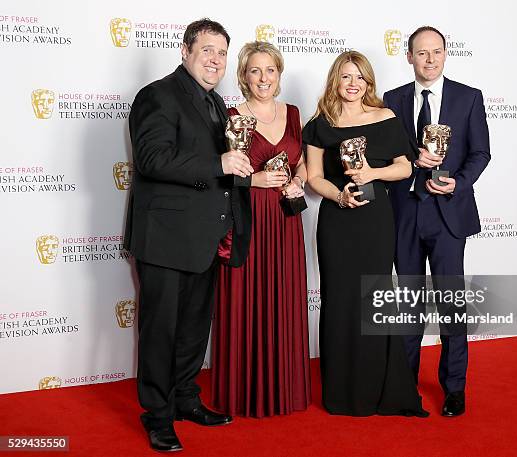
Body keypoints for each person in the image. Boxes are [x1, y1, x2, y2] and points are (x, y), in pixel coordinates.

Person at [125, 18, 254, 452]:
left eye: (222, 52)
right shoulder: (158, 95)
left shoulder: (216, 103)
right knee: (160, 332)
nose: (215, 59)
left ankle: (185, 399)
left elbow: (225, 164)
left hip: (205, 237)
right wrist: (219, 164)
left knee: (194, 330)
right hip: (164, 239)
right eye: (207, 50)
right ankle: (157, 416)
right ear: (185, 51)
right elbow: (152, 158)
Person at [303, 50, 428, 418]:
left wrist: (372, 174)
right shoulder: (319, 123)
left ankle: (379, 387)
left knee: (375, 299)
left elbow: (405, 168)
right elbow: (313, 177)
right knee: (339, 301)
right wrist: (339, 195)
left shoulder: (385, 117)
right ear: (335, 81)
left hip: (376, 220)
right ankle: (341, 392)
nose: (353, 83)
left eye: (360, 77)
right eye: (346, 76)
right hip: (337, 221)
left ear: (369, 82)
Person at [383, 26, 490, 417]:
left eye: (437, 52)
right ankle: (404, 383)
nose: (430, 60)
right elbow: (385, 154)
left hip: (448, 214)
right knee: (409, 304)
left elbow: (480, 153)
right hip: (405, 211)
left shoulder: (468, 97)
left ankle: (455, 388)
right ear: (409, 57)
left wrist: (456, 184)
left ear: (446, 54)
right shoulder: (392, 100)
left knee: (450, 304)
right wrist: (412, 163)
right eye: (422, 53)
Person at [211, 41, 311, 417]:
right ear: (244, 76)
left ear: (279, 75)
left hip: (286, 221)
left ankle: (285, 388)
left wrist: (298, 180)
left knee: (282, 299)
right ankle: (242, 392)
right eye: (255, 70)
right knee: (244, 300)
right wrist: (254, 181)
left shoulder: (296, 114)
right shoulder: (231, 114)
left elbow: (303, 162)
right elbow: (217, 172)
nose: (263, 77)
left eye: (270, 70)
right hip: (246, 221)